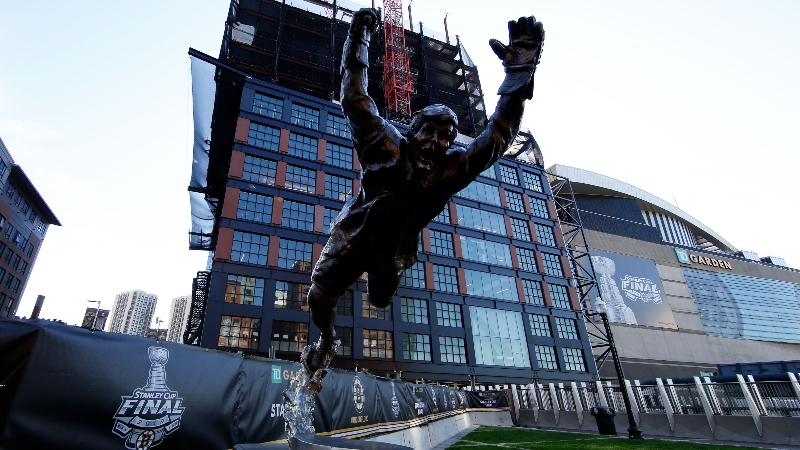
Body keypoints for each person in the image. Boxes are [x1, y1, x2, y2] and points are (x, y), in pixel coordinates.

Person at [302, 9, 545, 372]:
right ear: (412, 129)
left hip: (393, 255)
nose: (438, 140)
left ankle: (377, 285)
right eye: (430, 130)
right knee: (318, 298)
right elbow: (354, 96)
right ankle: (326, 339)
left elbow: (498, 135)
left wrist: (519, 75)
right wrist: (358, 38)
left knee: (381, 301)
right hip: (353, 237)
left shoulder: (452, 169)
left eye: (447, 136)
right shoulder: (385, 144)